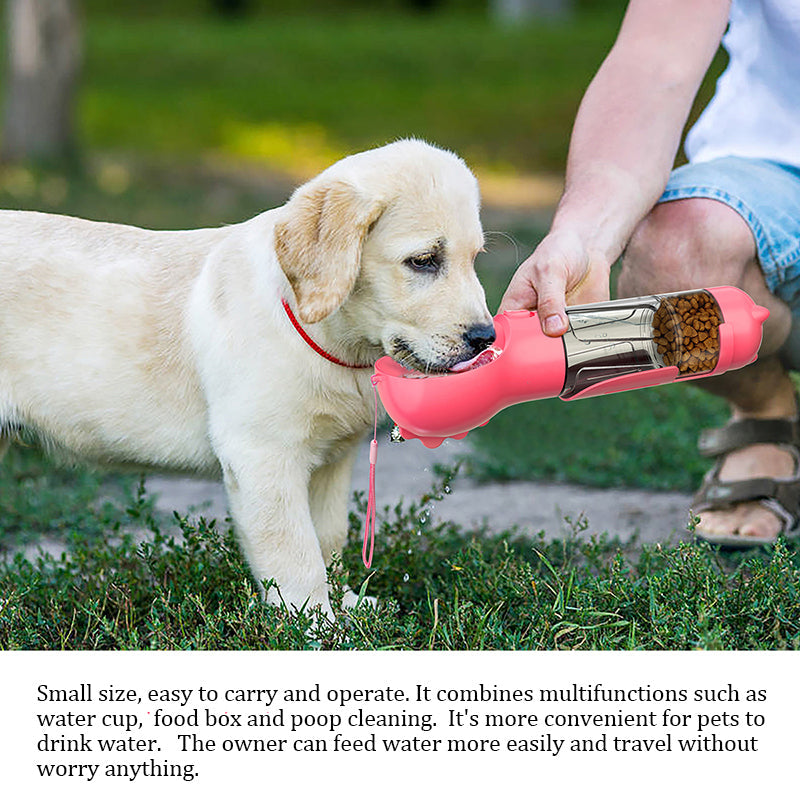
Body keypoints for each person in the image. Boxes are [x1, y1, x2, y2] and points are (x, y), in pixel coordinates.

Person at [499, 0, 800, 546]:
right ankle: (767, 414)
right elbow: (652, 63)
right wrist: (585, 237)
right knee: (678, 257)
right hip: (776, 165)